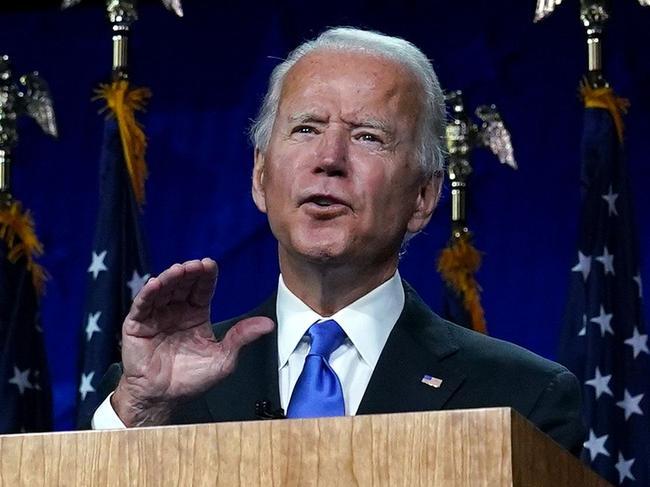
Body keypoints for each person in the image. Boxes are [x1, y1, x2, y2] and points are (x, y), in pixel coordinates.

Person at [91, 27, 585, 455]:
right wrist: (140, 409)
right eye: (306, 128)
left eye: (368, 136)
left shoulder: (524, 398)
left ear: (424, 196)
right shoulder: (160, 392)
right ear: (260, 176)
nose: (329, 158)